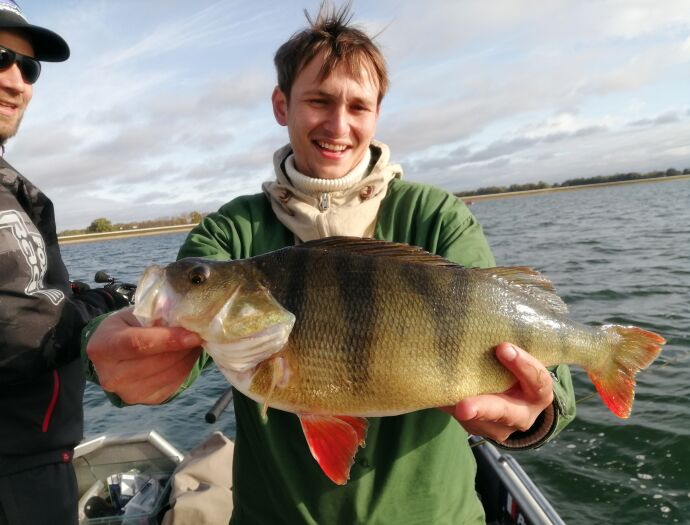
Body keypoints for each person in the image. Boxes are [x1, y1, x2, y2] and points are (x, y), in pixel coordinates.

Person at [84, 3, 576, 524]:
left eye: (358, 107)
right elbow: (170, 348)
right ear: (282, 104)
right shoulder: (232, 233)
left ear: (377, 113)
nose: (338, 125)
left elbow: (544, 370)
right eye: (319, 100)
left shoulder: (436, 218)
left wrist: (537, 415)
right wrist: (106, 356)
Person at [0, 2, 131, 524]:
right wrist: (101, 306)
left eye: (29, 67)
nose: (17, 81)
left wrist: (71, 296)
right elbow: (15, 328)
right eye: (0, 58)